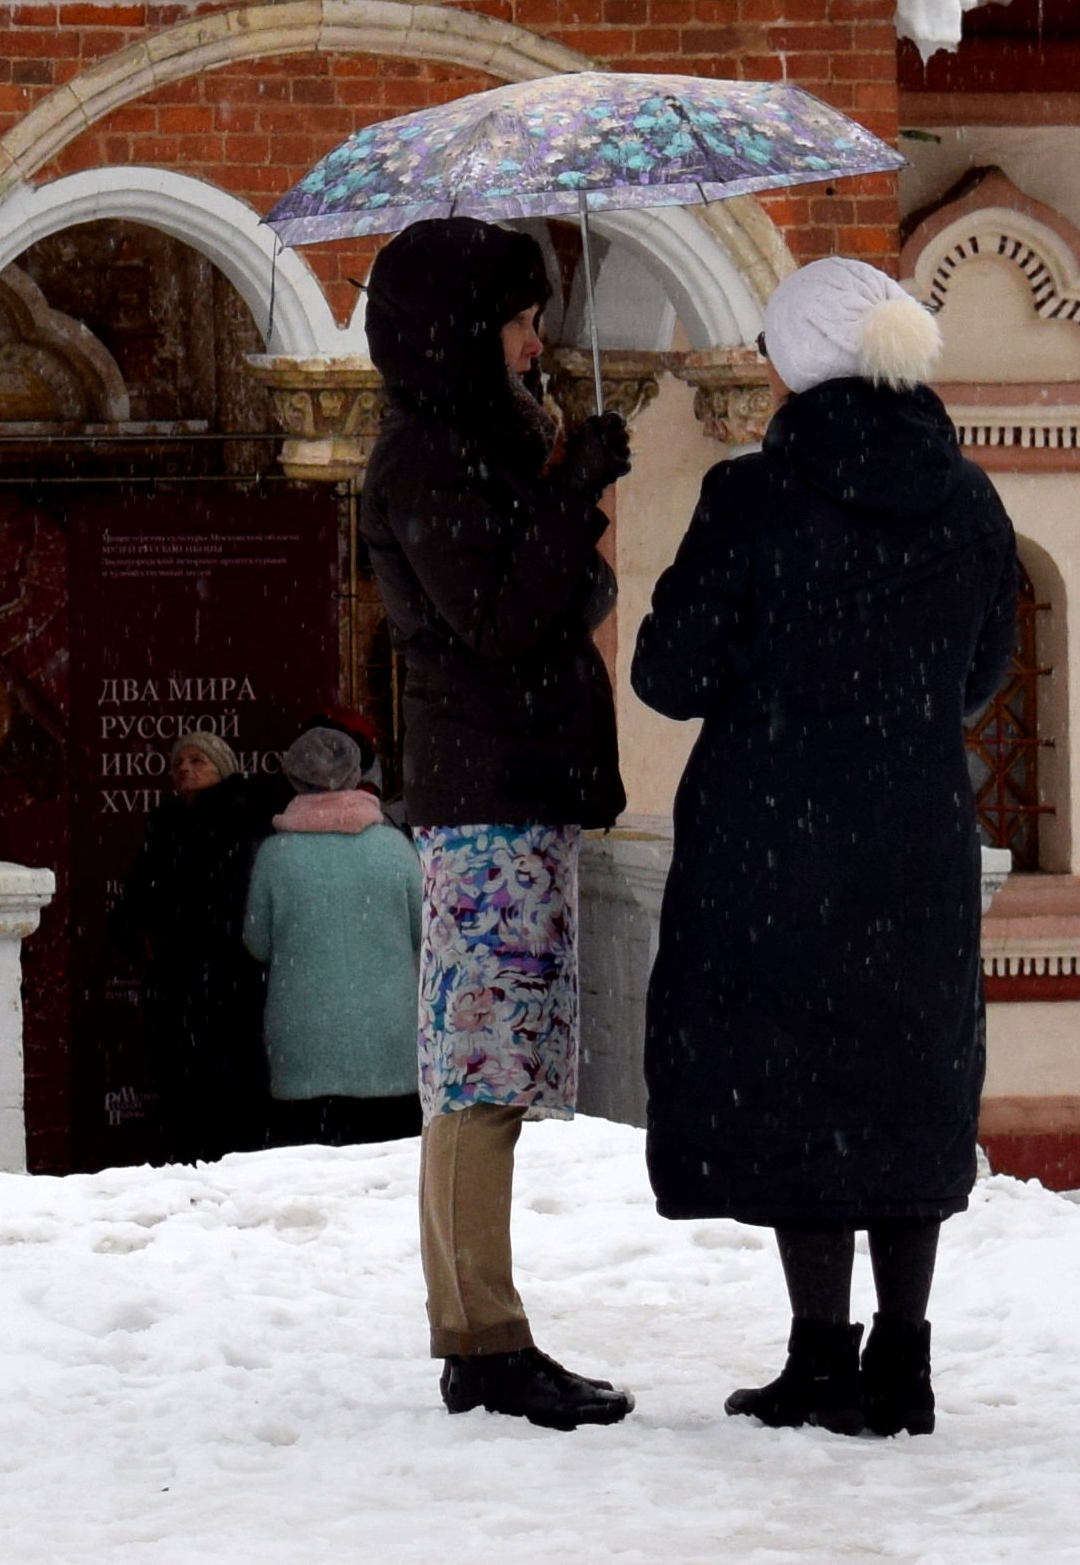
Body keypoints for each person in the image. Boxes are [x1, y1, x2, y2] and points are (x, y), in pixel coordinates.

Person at [629, 254, 1023, 1440]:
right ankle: (903, 1359)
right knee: (909, 1079)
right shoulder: (972, 499)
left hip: (775, 840)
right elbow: (984, 676)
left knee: (797, 1080)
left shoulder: (750, 497)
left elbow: (668, 676)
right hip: (916, 829)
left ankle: (816, 1354)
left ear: (799, 360)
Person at [356, 211, 636, 1429]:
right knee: (481, 1069)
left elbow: (561, 588)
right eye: (521, 320)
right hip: (487, 792)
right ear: (466, 331)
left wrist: (562, 478)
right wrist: (571, 488)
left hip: (516, 783)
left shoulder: (475, 445)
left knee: (494, 1067)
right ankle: (482, 1334)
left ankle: (482, 1325)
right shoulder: (421, 457)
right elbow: (503, 613)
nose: (536, 342)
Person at [98, 724, 289, 1161]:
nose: (185, 769)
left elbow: (246, 900)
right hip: (176, 977)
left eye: (197, 760)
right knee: (182, 1080)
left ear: (222, 768)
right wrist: (136, 933)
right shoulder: (165, 826)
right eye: (178, 763)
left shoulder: (245, 821)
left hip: (231, 975)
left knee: (230, 1077)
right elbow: (139, 896)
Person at [239, 719, 423, 1145]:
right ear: (357, 775)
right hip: (389, 1043)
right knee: (387, 1176)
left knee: (312, 1179)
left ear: (293, 778)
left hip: (302, 1044)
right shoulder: (394, 848)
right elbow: (424, 935)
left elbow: (256, 943)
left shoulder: (276, 855)